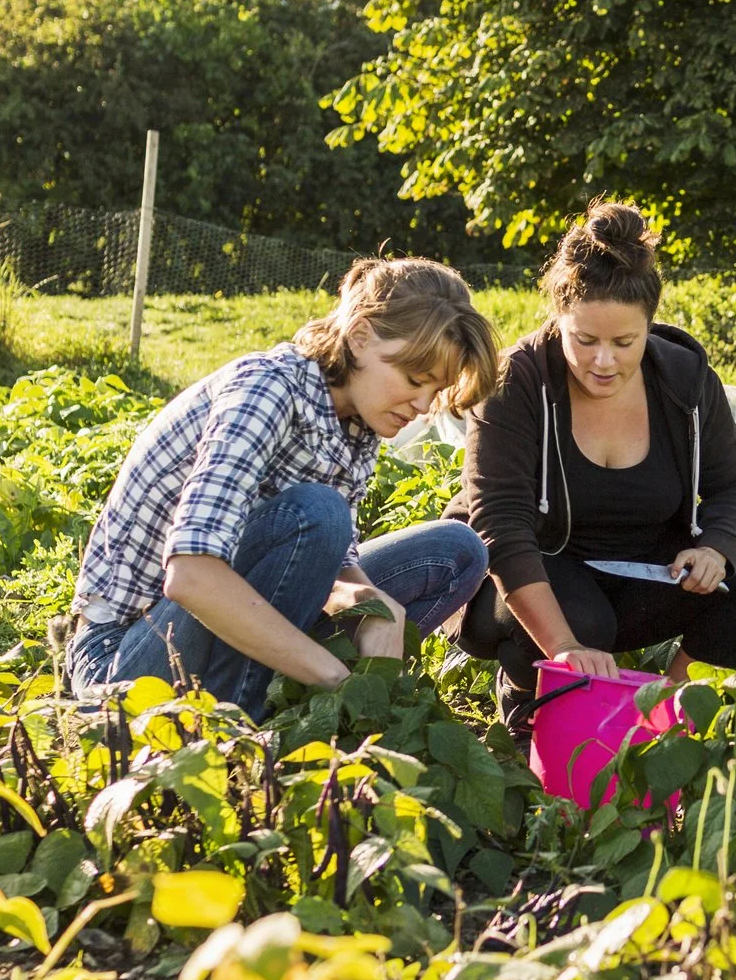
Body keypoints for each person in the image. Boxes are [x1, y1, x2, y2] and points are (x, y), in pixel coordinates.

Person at [66, 257, 500, 718]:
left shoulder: (359, 419)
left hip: (229, 621)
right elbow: (190, 576)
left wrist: (369, 602)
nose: (422, 405)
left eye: (436, 389)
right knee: (317, 512)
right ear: (360, 336)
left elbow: (333, 556)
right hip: (128, 659)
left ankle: (288, 701)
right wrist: (333, 676)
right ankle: (249, 719)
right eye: (414, 380)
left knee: (458, 550)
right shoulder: (267, 390)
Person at [449, 201, 736, 725]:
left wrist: (716, 547)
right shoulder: (516, 383)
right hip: (527, 574)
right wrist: (565, 645)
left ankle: (664, 708)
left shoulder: (684, 379)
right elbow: (500, 527)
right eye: (585, 340)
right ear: (558, 319)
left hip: (638, 571)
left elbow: (734, 484)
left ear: (649, 325)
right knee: (585, 626)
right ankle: (528, 692)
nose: (604, 361)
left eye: (625, 342)